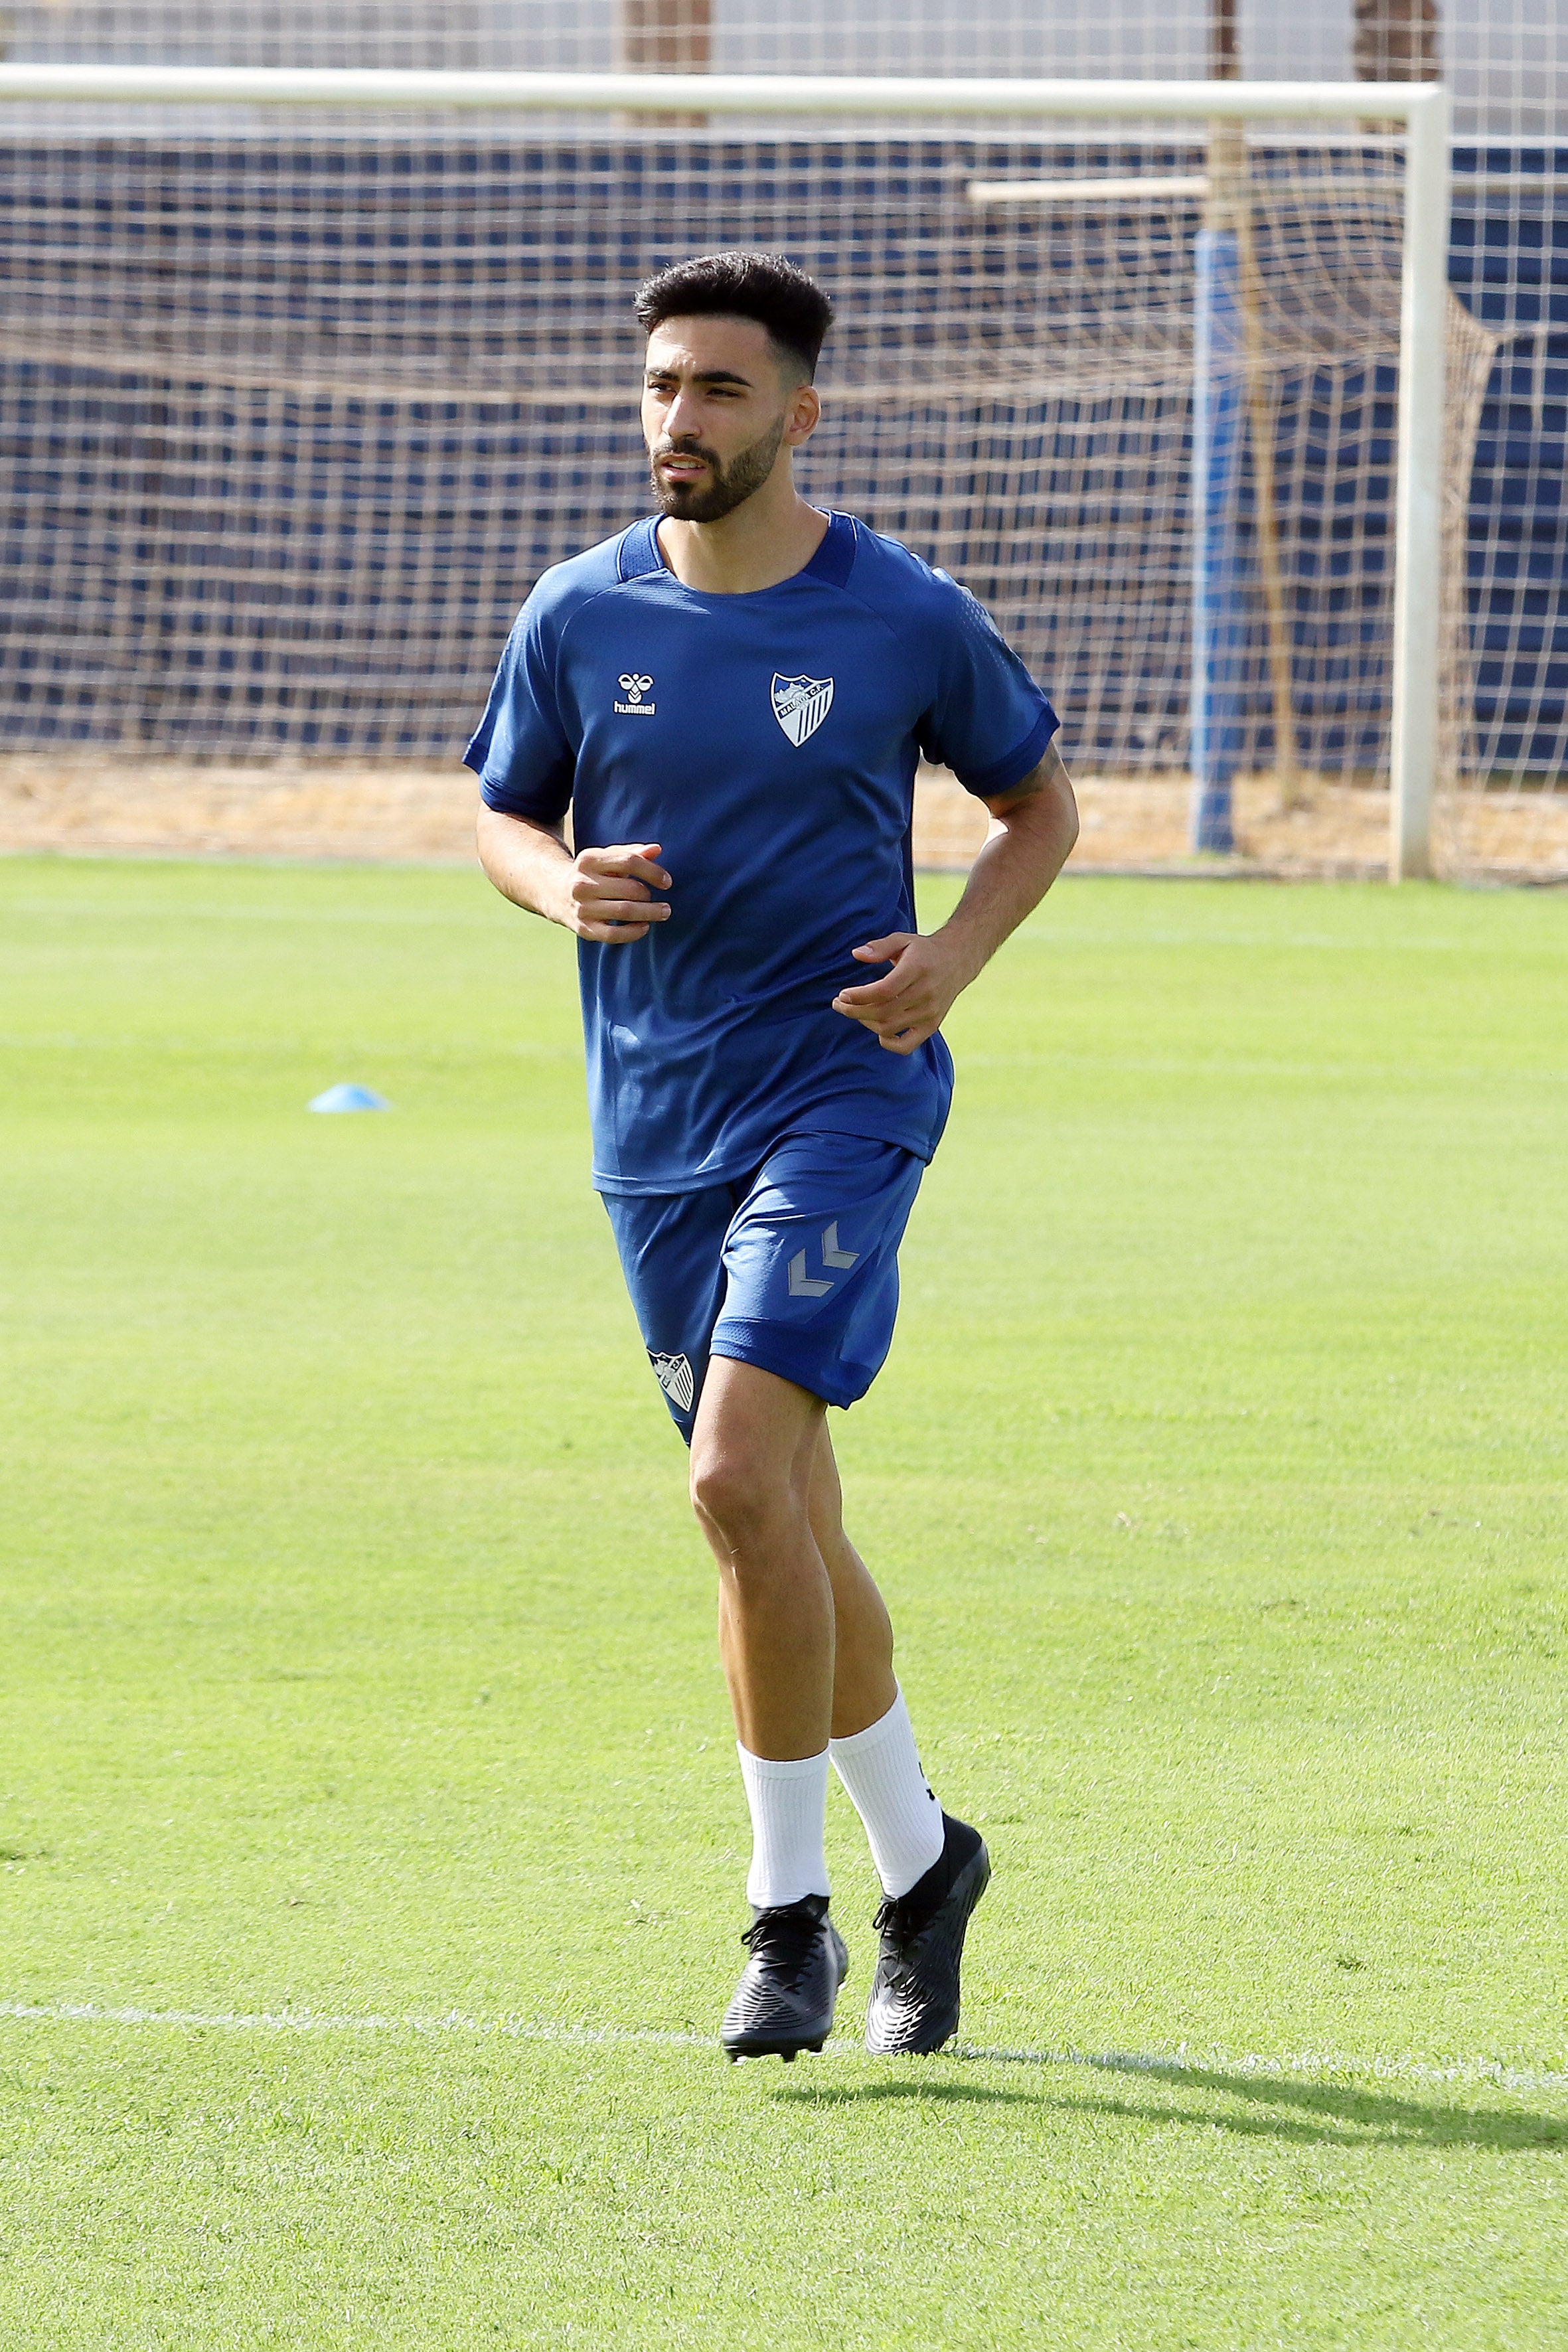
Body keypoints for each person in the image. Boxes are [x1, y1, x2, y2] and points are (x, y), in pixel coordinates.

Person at [469, 250, 1078, 2063]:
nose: (680, 418)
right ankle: (927, 1866)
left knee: (733, 1482)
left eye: (719, 391)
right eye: (662, 385)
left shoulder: (900, 612)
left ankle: (781, 1920)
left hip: (843, 1087)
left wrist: (951, 957)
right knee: (785, 1523)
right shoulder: (578, 612)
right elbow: (505, 811)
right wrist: (552, 884)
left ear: (799, 415)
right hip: (651, 1119)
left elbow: (1034, 804)